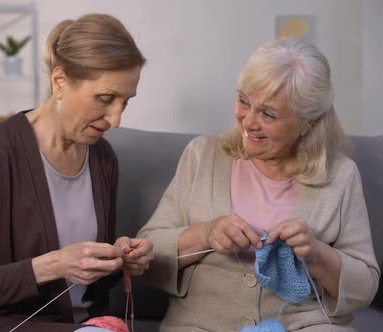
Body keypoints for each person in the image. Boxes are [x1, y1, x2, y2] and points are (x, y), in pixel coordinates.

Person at [137, 38, 379, 331]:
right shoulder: (202, 155)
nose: (248, 122)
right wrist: (205, 234)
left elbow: (364, 287)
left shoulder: (341, 175)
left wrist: (315, 252)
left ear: (308, 123)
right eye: (243, 101)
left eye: (268, 114)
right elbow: (147, 252)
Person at [0, 13, 154, 332]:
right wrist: (53, 265)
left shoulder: (103, 157)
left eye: (125, 102)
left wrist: (118, 260)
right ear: (60, 81)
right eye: (105, 99)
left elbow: (90, 287)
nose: (116, 119)